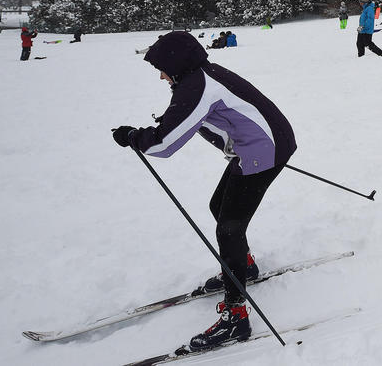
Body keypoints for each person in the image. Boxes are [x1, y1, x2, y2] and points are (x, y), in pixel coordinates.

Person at [110, 31, 297, 352]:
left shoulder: (198, 86)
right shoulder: (200, 76)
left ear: (175, 63)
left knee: (229, 227)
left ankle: (236, 317)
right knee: (218, 207)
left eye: (161, 68)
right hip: (261, 145)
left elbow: (165, 143)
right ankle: (245, 266)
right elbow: (212, 119)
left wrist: (134, 136)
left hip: (263, 149)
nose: (160, 75)